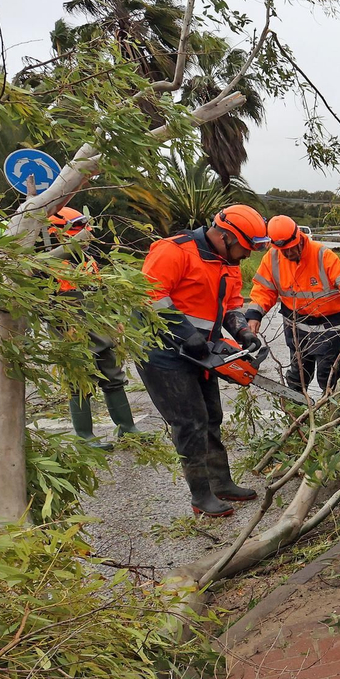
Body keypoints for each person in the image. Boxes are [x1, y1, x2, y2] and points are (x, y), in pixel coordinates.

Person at [139, 204, 268, 517]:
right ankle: (200, 495)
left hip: (200, 354)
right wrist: (185, 333)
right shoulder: (174, 251)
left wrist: (242, 333)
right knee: (189, 423)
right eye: (244, 247)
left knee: (211, 417)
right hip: (164, 353)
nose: (247, 255)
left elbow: (232, 305)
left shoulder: (227, 262)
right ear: (225, 236)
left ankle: (220, 483)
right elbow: (149, 295)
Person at [242, 215, 340, 397]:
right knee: (298, 375)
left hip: (330, 326)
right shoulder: (273, 258)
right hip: (297, 325)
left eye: (292, 249)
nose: (289, 253)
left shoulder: (322, 255)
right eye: (284, 251)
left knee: (327, 373)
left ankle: (336, 414)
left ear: (299, 238)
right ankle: (297, 414)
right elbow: (263, 289)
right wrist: (254, 314)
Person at [47, 207, 141, 448]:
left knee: (113, 377)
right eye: (79, 230)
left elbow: (102, 293)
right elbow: (44, 304)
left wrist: (116, 320)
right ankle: (85, 436)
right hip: (71, 334)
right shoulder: (46, 266)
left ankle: (127, 429)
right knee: (80, 382)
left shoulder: (89, 261)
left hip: (101, 330)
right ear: (57, 233)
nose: (86, 235)